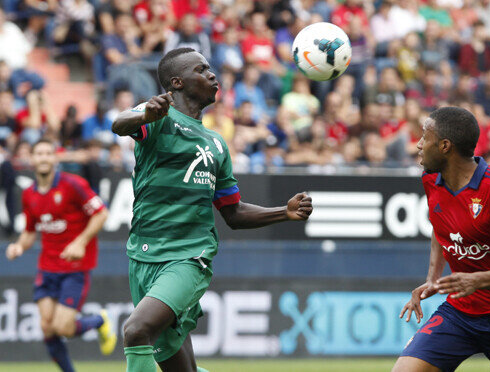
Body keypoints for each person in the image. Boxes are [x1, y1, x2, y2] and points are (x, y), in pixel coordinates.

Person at [111, 47, 313, 372]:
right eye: (201, 70)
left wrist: (283, 212)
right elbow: (121, 124)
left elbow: (233, 213)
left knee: (137, 331)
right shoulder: (157, 118)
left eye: (211, 69)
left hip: (189, 258)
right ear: (176, 83)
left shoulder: (217, 144)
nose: (212, 74)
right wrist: (145, 116)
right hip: (143, 257)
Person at [392, 107, 490, 372]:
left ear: (445, 146)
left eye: (424, 136)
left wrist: (474, 279)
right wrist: (434, 278)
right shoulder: (431, 178)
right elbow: (439, 224)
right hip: (461, 311)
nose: (418, 144)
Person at [5, 138, 116, 372]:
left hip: (74, 268)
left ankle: (100, 321)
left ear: (55, 158)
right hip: (47, 268)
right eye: (39, 153)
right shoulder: (29, 194)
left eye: (48, 153)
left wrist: (80, 242)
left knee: (63, 327)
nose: (44, 157)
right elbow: (29, 232)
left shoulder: (72, 184)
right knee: (47, 327)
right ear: (32, 159)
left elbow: (101, 214)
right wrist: (18, 247)